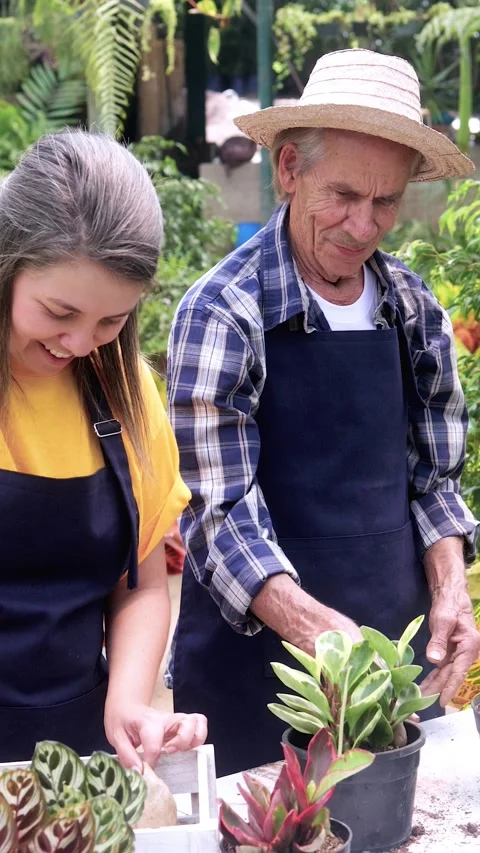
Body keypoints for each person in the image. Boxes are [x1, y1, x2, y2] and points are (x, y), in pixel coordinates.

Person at [167, 49, 480, 777]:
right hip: (257, 681)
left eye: (385, 201)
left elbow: (435, 481)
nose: (364, 225)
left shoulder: (414, 309)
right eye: (343, 194)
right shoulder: (226, 311)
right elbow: (222, 513)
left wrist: (451, 587)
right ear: (287, 170)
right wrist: (319, 633)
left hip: (392, 677)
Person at [0, 130, 207, 768]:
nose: (79, 343)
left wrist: (130, 701)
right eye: (58, 311)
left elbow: (141, 583)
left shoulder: (125, 394)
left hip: (74, 755)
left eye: (111, 321)